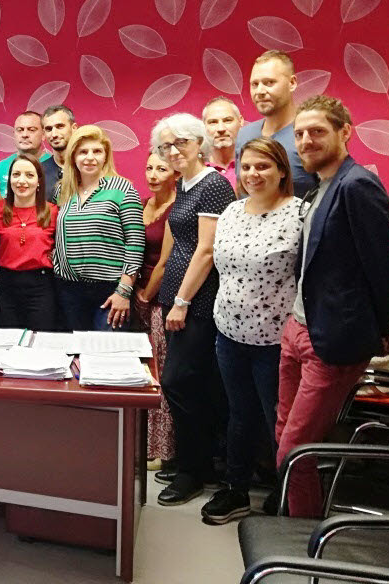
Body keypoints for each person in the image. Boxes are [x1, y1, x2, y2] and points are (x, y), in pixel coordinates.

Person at [276, 96, 389, 518]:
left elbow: (384, 268)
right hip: (297, 329)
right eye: (299, 134)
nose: (306, 141)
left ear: (344, 131)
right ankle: (295, 521)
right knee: (286, 436)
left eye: (317, 131)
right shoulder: (319, 187)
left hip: (331, 340)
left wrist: (376, 330)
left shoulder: (357, 185)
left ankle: (300, 537)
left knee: (295, 450)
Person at [200, 138, 303, 525]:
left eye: (263, 166)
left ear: (281, 171)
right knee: (239, 415)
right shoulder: (231, 211)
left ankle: (289, 494)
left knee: (281, 420)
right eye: (246, 167)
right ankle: (236, 489)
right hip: (229, 334)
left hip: (275, 340)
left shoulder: (299, 214)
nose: (253, 174)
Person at [152, 113, 236, 506]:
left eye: (180, 142)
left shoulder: (213, 185)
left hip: (197, 300)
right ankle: (196, 462)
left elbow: (206, 250)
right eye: (165, 145)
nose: (173, 151)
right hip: (178, 297)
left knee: (179, 382)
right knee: (190, 385)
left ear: (199, 142)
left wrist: (182, 302)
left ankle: (193, 471)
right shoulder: (184, 184)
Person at [53, 126, 145, 332]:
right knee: (75, 348)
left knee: (106, 350)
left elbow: (135, 243)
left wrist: (124, 291)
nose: (90, 158)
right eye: (83, 152)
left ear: (105, 156)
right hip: (69, 290)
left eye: (97, 151)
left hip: (110, 291)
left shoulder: (123, 189)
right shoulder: (63, 190)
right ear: (73, 157)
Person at [133, 151, 178, 471]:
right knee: (140, 373)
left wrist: (146, 296)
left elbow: (164, 263)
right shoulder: (142, 204)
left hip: (159, 300)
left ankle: (161, 449)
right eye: (149, 168)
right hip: (135, 296)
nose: (153, 174)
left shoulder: (177, 208)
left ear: (175, 173)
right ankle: (138, 442)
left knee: (160, 373)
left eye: (161, 169)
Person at [235, 50, 317, 198]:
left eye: (269, 83)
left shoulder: (311, 135)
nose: (260, 91)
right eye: (255, 84)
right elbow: (242, 193)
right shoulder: (244, 135)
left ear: (292, 83)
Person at [0, 156, 59, 331]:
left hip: (41, 286)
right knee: (7, 340)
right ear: (9, 180)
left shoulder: (52, 211)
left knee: (40, 340)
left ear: (39, 181)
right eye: (16, 175)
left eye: (29, 175)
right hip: (6, 286)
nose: (22, 181)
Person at [0, 111, 53, 195]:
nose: (24, 135)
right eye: (20, 130)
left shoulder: (56, 166)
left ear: (43, 134)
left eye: (31, 130)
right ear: (14, 134)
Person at [202, 97, 243, 189]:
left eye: (227, 120)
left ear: (240, 121)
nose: (221, 129)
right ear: (204, 126)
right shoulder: (196, 170)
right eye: (213, 122)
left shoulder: (254, 164)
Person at [41, 105, 75, 200]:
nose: (54, 134)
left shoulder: (88, 168)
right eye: (49, 129)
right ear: (43, 134)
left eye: (60, 126)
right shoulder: (37, 172)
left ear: (74, 128)